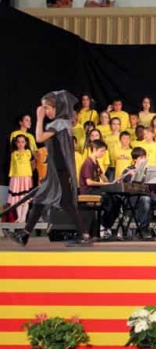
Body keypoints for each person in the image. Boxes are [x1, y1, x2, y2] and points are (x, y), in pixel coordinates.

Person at [8, 91, 92, 247]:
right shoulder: (64, 123)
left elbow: (39, 138)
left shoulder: (58, 123)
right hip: (57, 170)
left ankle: (84, 234)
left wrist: (39, 118)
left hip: (60, 171)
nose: (45, 111)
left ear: (56, 107)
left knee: (61, 203)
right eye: (43, 108)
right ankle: (25, 235)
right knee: (43, 200)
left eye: (47, 108)